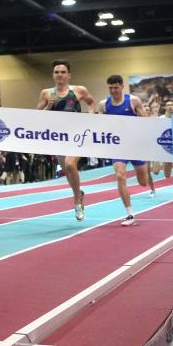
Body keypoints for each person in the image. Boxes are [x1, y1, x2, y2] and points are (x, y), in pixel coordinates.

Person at [36, 60, 95, 221]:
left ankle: (76, 202)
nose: (59, 75)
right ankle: (79, 193)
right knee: (67, 171)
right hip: (58, 137)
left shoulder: (79, 90)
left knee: (70, 164)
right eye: (57, 72)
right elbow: (36, 115)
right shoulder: (47, 93)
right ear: (53, 75)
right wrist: (48, 107)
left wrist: (91, 115)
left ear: (69, 75)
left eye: (63, 72)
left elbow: (91, 103)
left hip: (77, 135)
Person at [96, 74, 152, 226]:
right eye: (110, 88)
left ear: (122, 86)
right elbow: (99, 124)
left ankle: (146, 166)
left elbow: (147, 122)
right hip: (117, 147)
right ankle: (130, 214)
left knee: (143, 182)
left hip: (135, 146)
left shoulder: (133, 101)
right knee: (120, 176)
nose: (113, 91)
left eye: (115, 87)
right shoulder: (104, 104)